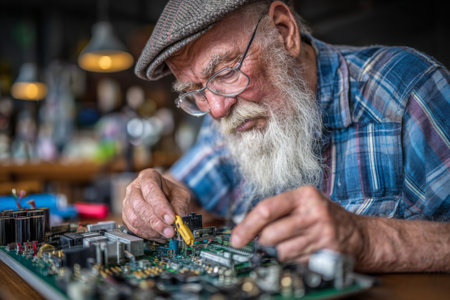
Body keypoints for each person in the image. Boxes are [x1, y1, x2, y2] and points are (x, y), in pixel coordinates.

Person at [123, 0, 450, 272]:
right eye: (195, 91)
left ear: (283, 32)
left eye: (225, 72)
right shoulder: (232, 121)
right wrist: (153, 197)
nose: (217, 109)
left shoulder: (408, 93)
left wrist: (368, 239)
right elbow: (185, 197)